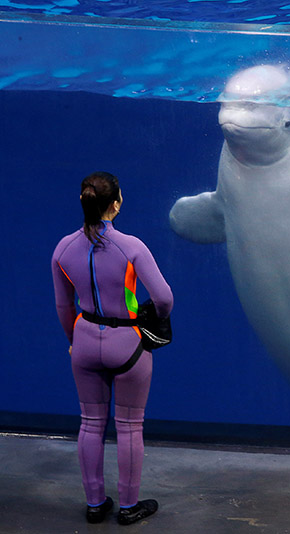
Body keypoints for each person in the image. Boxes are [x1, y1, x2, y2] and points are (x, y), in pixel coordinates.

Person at [51, 172, 173, 525]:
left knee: (90, 423)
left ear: (83, 201)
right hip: (128, 343)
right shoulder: (132, 246)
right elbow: (164, 297)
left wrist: (74, 342)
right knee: (130, 427)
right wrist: (152, 318)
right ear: (116, 203)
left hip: (85, 339)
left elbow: (63, 307)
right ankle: (129, 506)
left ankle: (94, 503)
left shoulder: (63, 248)